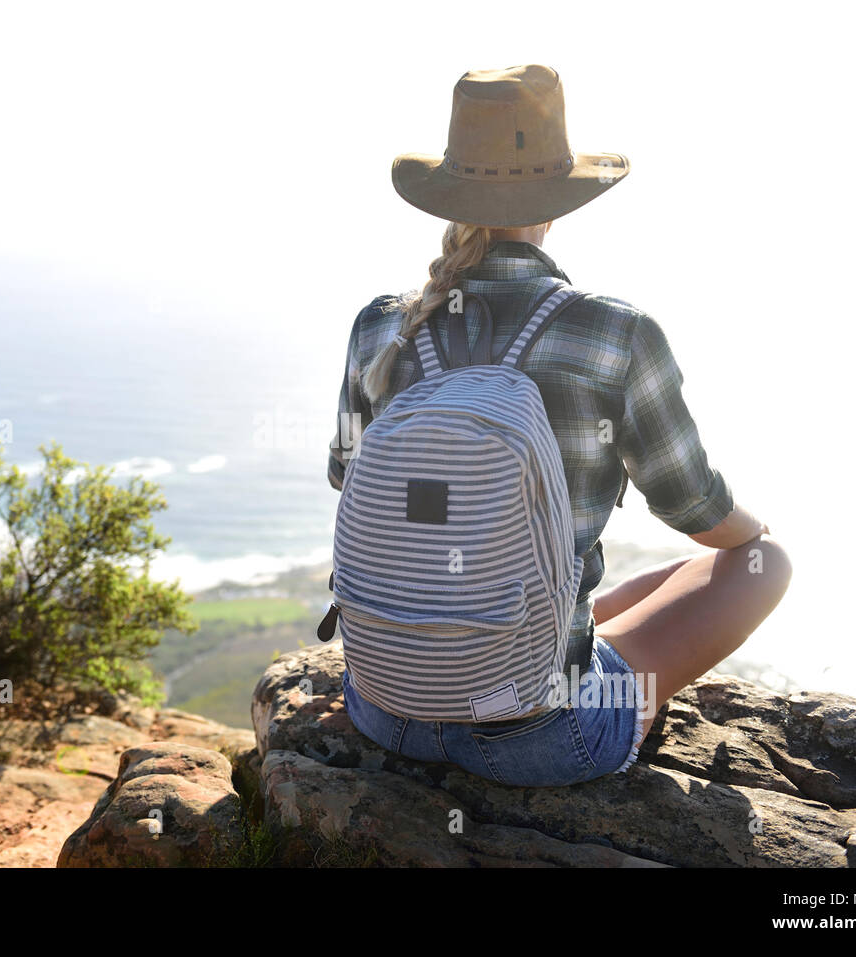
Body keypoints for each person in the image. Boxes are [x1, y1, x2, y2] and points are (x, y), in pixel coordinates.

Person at [327, 65, 792, 787]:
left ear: (449, 196)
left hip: (385, 708)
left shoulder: (381, 327)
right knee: (764, 564)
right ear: (557, 202)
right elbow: (696, 510)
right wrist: (756, 531)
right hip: (544, 735)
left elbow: (346, 478)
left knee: (628, 589)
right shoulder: (614, 332)